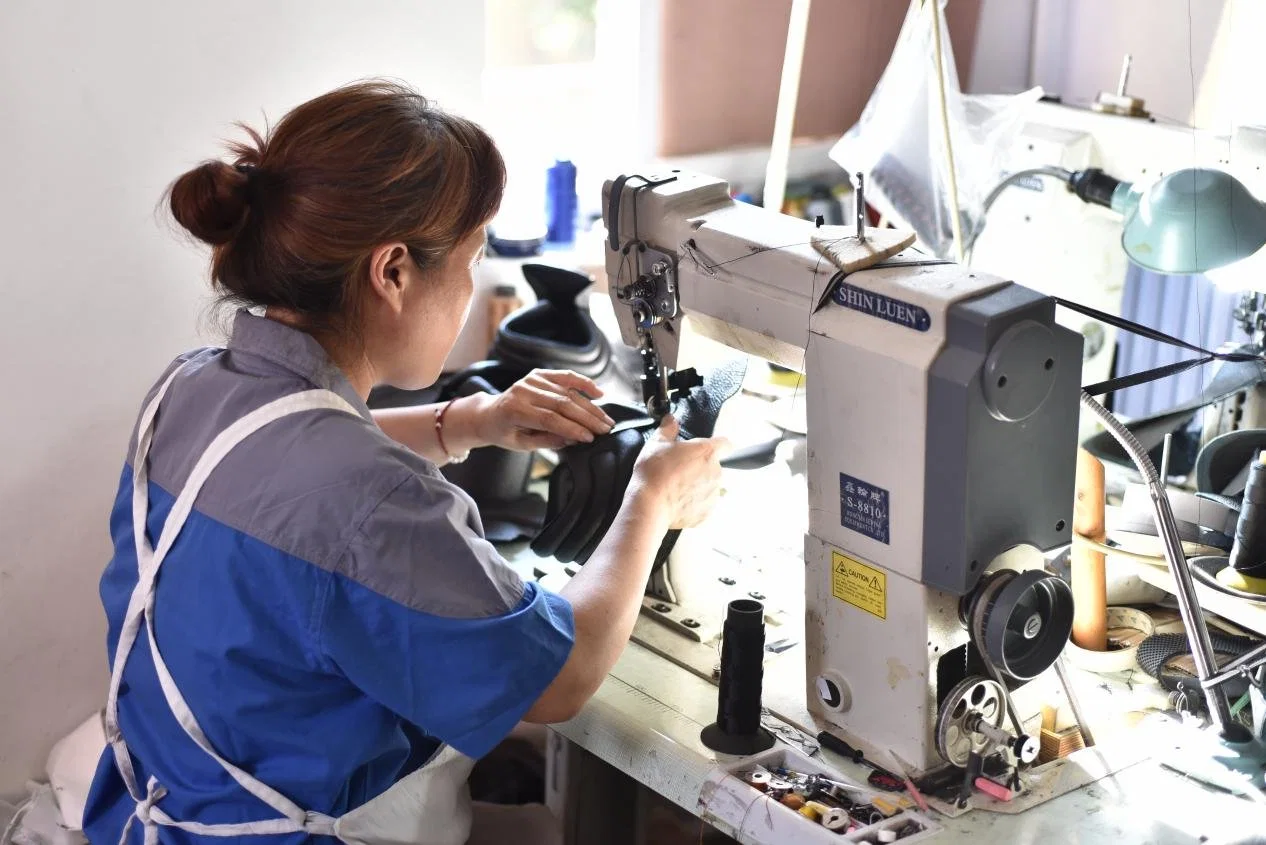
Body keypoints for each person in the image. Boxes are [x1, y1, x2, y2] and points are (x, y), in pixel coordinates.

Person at [83, 80, 727, 845]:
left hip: (159, 811)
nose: (469, 287)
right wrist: (651, 497)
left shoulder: (188, 386)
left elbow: (290, 449)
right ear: (392, 273)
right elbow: (563, 679)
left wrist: (468, 421)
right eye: (472, 258)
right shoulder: (377, 501)